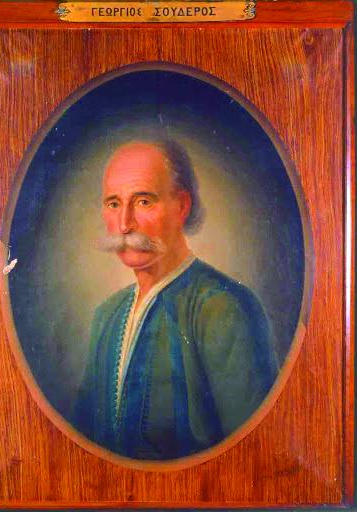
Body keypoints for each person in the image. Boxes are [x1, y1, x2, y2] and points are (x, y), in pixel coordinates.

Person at [73, 138, 278, 460]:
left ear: (182, 206)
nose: (124, 224)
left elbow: (256, 453)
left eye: (143, 201)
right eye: (113, 204)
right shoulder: (107, 315)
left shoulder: (222, 306)